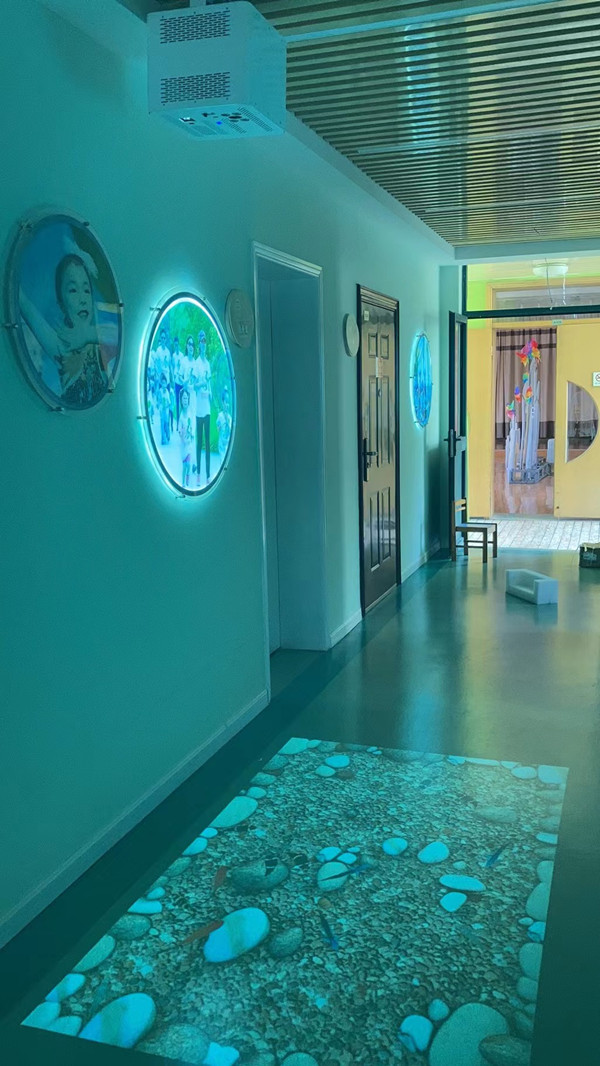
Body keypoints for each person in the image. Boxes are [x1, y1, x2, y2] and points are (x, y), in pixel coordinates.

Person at [19, 252, 110, 406]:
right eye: (73, 290)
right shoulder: (62, 348)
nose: (82, 299)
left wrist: (87, 335)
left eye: (86, 290)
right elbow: (27, 309)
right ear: (61, 303)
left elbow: (116, 336)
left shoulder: (98, 344)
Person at [191, 329, 212, 486]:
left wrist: (210, 392)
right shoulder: (197, 363)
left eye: (205, 341)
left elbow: (209, 382)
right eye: (201, 341)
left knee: (207, 441)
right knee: (199, 442)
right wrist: (203, 383)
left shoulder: (208, 363)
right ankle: (198, 473)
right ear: (199, 344)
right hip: (199, 408)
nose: (203, 344)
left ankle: (208, 474)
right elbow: (194, 385)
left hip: (207, 408)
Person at [177, 387, 194, 488]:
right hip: (183, 444)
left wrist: (191, 434)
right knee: (184, 465)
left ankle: (187, 476)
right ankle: (183, 483)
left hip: (189, 443)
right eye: (183, 398)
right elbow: (179, 429)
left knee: (188, 464)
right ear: (181, 400)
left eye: (186, 398)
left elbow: (192, 427)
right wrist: (181, 433)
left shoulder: (190, 414)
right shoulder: (181, 416)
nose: (185, 400)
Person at [216, 386, 232, 459]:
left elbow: (230, 431)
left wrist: (228, 422)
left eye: (228, 402)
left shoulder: (230, 418)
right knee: (222, 459)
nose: (227, 405)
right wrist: (219, 427)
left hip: (227, 445)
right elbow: (217, 427)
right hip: (221, 445)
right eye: (226, 402)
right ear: (223, 403)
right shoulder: (220, 416)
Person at [158, 373, 171, 445]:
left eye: (165, 383)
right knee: (162, 425)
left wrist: (165, 406)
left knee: (166, 424)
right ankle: (163, 439)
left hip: (166, 411)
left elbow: (169, 402)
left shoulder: (167, 392)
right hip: (161, 411)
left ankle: (168, 435)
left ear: (166, 384)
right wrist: (160, 406)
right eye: (162, 383)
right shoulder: (159, 391)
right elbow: (159, 401)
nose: (163, 385)